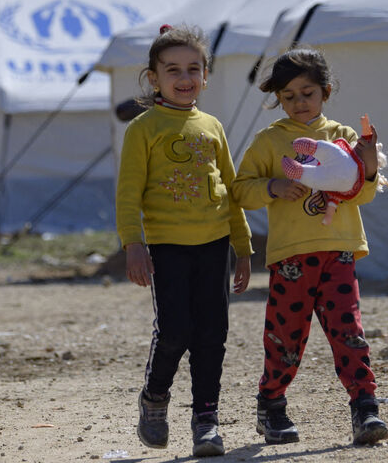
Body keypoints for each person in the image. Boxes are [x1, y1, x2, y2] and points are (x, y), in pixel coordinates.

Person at [231, 47, 388, 447]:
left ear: (325, 91)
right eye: (288, 96)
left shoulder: (344, 137)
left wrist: (370, 169)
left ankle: (366, 408)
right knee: (285, 337)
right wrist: (273, 186)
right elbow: (240, 190)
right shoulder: (269, 141)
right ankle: (271, 406)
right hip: (291, 257)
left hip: (339, 252)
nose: (298, 103)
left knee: (349, 332)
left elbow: (362, 195)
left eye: (307, 93)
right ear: (277, 99)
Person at [116, 24, 253, 458]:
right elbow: (128, 193)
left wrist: (244, 247)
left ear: (206, 75)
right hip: (166, 247)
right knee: (174, 330)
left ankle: (206, 422)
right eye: (172, 69)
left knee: (212, 334)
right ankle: (155, 399)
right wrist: (133, 244)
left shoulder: (212, 125)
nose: (184, 77)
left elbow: (230, 190)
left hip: (214, 245)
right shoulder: (143, 128)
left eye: (194, 68)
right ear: (153, 77)